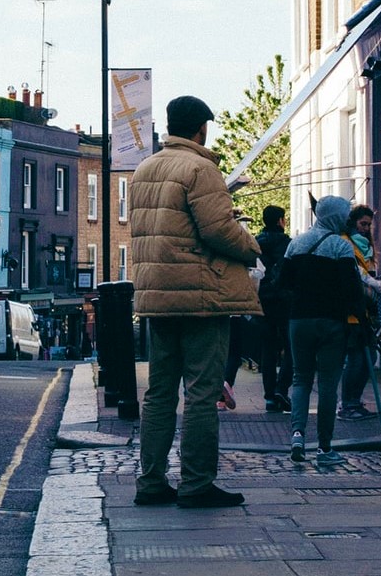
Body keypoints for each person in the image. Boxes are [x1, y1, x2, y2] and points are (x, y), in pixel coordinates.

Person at [130, 95, 263, 510]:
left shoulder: (144, 168)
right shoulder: (200, 168)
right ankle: (196, 483)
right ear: (202, 128)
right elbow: (218, 230)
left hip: (156, 294)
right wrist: (252, 245)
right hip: (200, 296)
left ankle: (151, 481)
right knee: (202, 393)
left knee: (159, 392)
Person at [284, 195, 366, 468]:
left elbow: (282, 281)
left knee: (300, 379)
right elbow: (353, 290)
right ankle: (324, 446)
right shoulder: (340, 247)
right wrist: (362, 321)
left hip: (299, 320)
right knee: (329, 383)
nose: (346, 219)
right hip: (331, 322)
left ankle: (297, 434)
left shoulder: (296, 244)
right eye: (344, 214)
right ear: (335, 217)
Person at [336, 205, 381, 419]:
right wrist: (372, 282)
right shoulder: (346, 242)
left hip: (363, 309)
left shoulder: (365, 246)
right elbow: (357, 272)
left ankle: (353, 400)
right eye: (362, 224)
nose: (365, 229)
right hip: (351, 310)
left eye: (368, 225)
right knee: (358, 357)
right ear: (353, 222)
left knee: (368, 356)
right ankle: (348, 403)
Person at [255, 204, 293, 411]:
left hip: (263, 299)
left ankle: (269, 395)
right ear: (280, 220)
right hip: (284, 300)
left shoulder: (256, 243)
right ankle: (282, 388)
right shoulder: (288, 244)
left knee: (268, 349)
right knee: (290, 348)